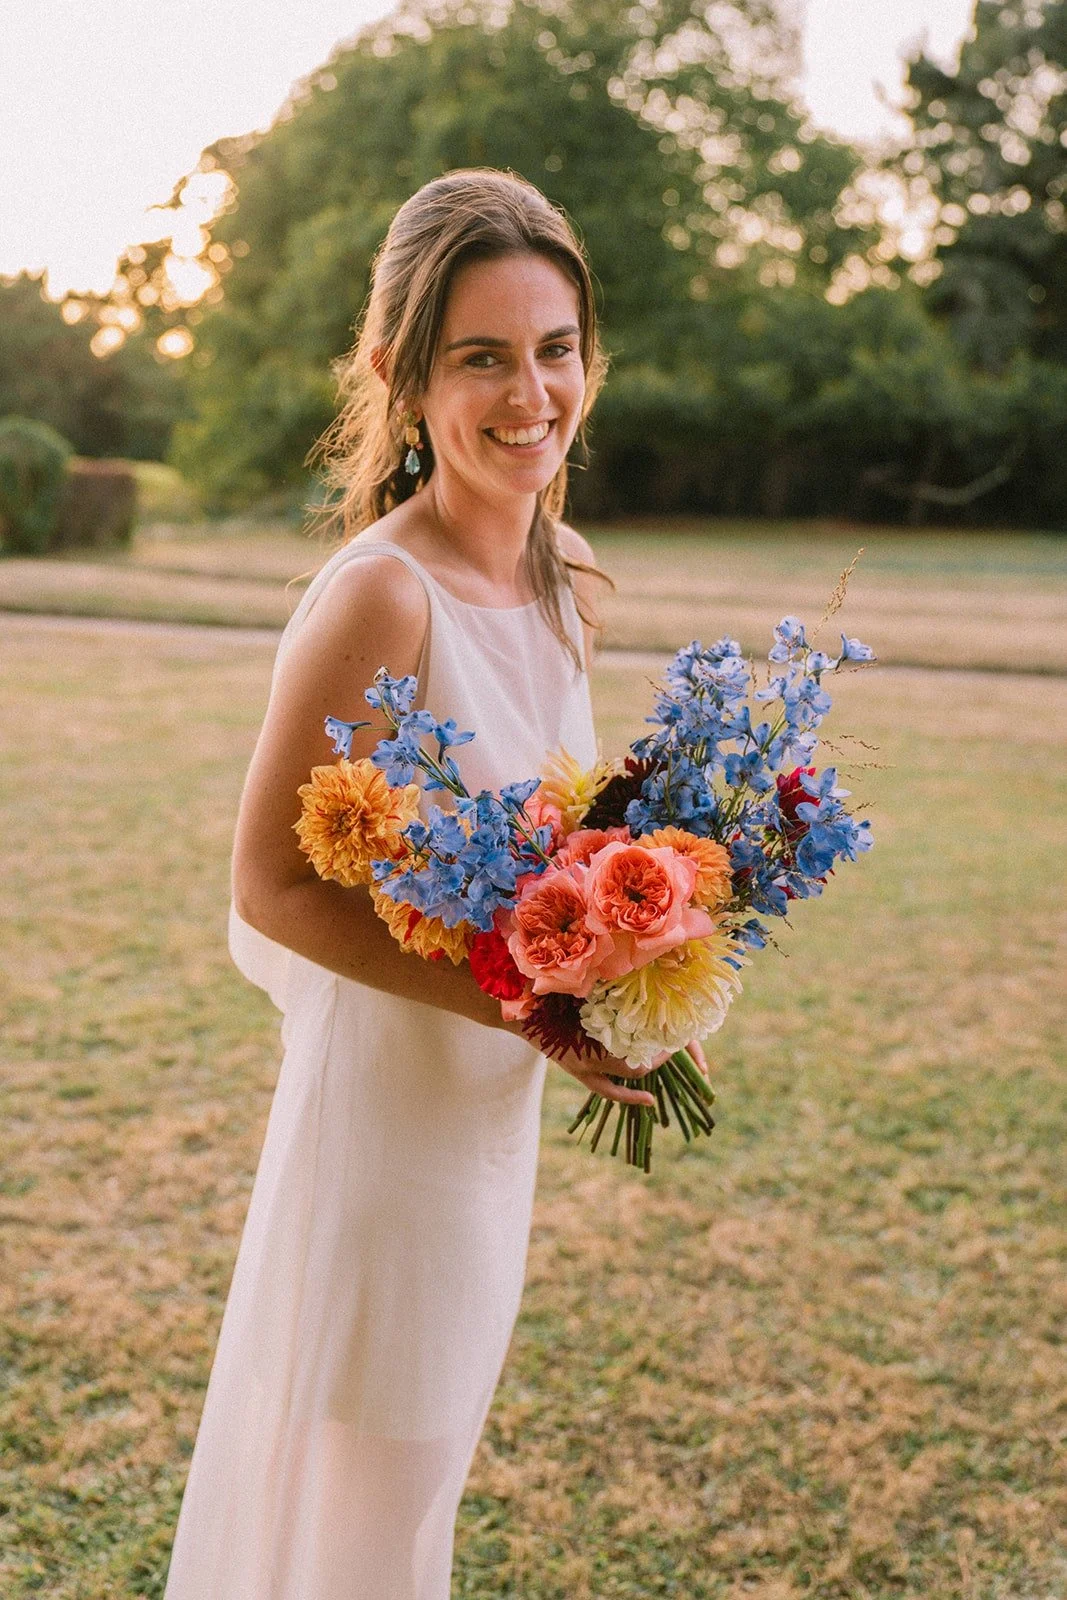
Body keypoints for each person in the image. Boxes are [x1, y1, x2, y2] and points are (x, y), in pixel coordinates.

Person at [162, 167, 704, 1600]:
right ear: (403, 377)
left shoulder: (566, 577)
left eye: (554, 349)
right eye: (482, 358)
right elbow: (272, 886)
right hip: (387, 1136)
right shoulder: (377, 596)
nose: (529, 393)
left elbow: (561, 848)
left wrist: (644, 959)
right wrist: (533, 1005)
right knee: (365, 1525)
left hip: (482, 1131)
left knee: (413, 1504)